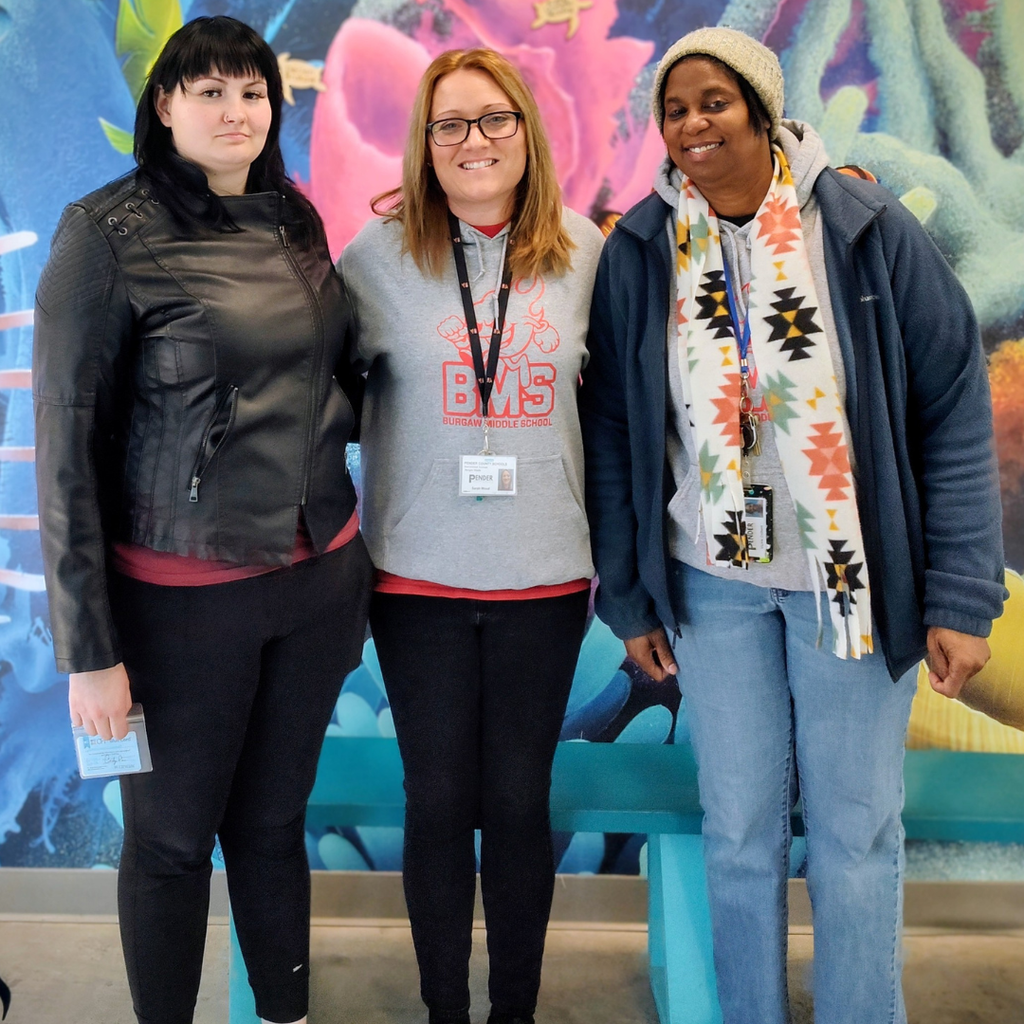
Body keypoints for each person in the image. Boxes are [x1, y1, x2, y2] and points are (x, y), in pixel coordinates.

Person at [581, 26, 1005, 1024]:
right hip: (711, 585)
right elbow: (613, 430)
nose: (691, 123)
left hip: (847, 585)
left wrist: (958, 597)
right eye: (674, 108)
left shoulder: (862, 227)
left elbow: (950, 409)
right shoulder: (644, 247)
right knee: (737, 829)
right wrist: (628, 592)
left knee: (856, 832)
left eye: (713, 101)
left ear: (763, 109)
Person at [33, 17, 371, 1024]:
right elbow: (64, 447)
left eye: (253, 91)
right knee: (174, 843)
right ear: (166, 106)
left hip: (315, 585)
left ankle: (284, 1013)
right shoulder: (104, 234)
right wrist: (89, 649)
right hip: (181, 604)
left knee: (272, 825)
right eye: (209, 91)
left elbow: (328, 378)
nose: (236, 111)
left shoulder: (292, 216)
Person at [340, 48, 604, 1024]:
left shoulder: (583, 250)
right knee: (440, 802)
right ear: (424, 143)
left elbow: (615, 419)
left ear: (525, 131)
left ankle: (514, 1011)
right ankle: (444, 1008)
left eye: (493, 119)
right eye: (449, 124)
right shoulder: (374, 258)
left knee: (519, 802)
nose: (473, 140)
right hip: (417, 580)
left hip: (544, 577)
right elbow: (320, 406)